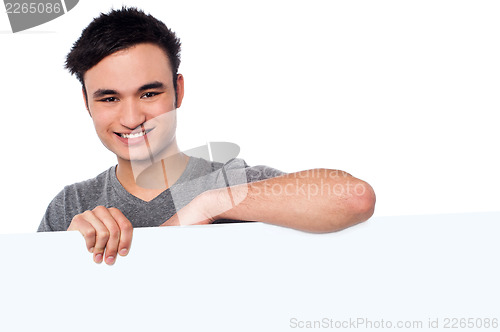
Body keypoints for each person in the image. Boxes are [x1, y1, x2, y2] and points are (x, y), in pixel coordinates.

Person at [38, 7, 376, 265]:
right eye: (109, 98)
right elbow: (26, 310)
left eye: (149, 94)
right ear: (86, 102)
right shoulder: (70, 207)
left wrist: (208, 203)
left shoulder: (234, 182)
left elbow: (354, 197)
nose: (131, 118)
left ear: (178, 91)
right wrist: (62, 258)